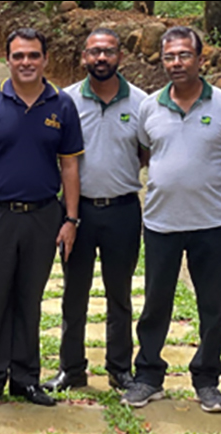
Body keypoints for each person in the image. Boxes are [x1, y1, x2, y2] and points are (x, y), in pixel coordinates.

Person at [123, 27, 221, 411]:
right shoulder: (149, 106)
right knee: (155, 303)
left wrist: (210, 183)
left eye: (184, 55)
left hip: (210, 223)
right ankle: (147, 376)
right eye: (169, 57)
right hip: (161, 222)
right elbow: (145, 153)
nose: (176, 63)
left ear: (200, 59)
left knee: (211, 306)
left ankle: (207, 379)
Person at [0, 28, 85, 410]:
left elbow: (70, 167)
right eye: (18, 56)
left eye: (33, 55)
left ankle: (26, 379)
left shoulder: (61, 105)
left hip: (43, 216)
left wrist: (71, 219)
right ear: (8, 60)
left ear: (45, 60)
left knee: (30, 300)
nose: (26, 62)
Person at [43, 28, 148, 394]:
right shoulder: (66, 100)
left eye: (108, 52)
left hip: (122, 210)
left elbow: (146, 152)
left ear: (120, 56)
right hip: (77, 213)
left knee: (119, 293)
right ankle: (71, 369)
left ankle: (120, 369)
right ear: (84, 57)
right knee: (75, 293)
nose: (101, 58)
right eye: (94, 52)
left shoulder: (140, 103)